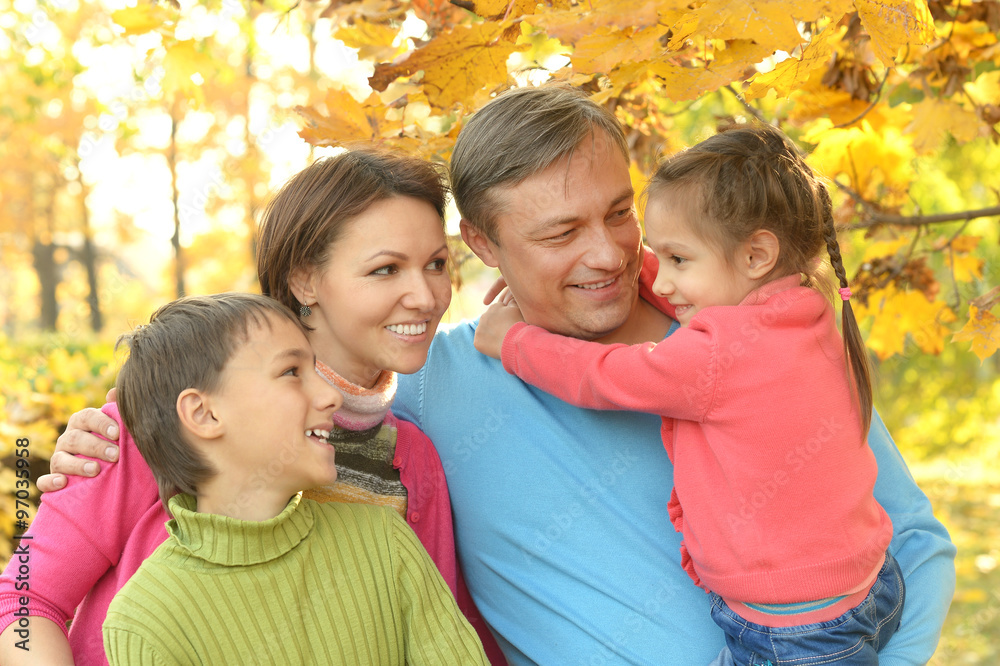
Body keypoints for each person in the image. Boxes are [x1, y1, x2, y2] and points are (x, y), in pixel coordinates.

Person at [35, 86, 955, 665]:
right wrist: (125, 420)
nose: (604, 254)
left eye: (619, 213)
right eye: (558, 234)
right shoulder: (436, 390)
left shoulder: (759, 348)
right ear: (484, 244)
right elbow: (284, 380)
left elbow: (914, 546)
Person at [0, 149, 503, 664]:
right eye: (385, 269)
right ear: (304, 280)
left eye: (437, 264)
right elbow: (24, 601)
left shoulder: (412, 458)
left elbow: (432, 627)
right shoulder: (173, 417)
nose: (424, 295)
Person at [473, 122, 904, 664]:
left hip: (797, 633)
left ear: (755, 256)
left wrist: (514, 341)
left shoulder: (717, 353)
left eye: (677, 259)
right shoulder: (803, 310)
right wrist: (551, 278)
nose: (662, 279)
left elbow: (605, 375)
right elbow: (711, 280)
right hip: (871, 585)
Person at [99, 292, 488, 663]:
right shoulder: (144, 619)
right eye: (291, 372)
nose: (330, 395)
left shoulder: (387, 542)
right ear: (204, 414)